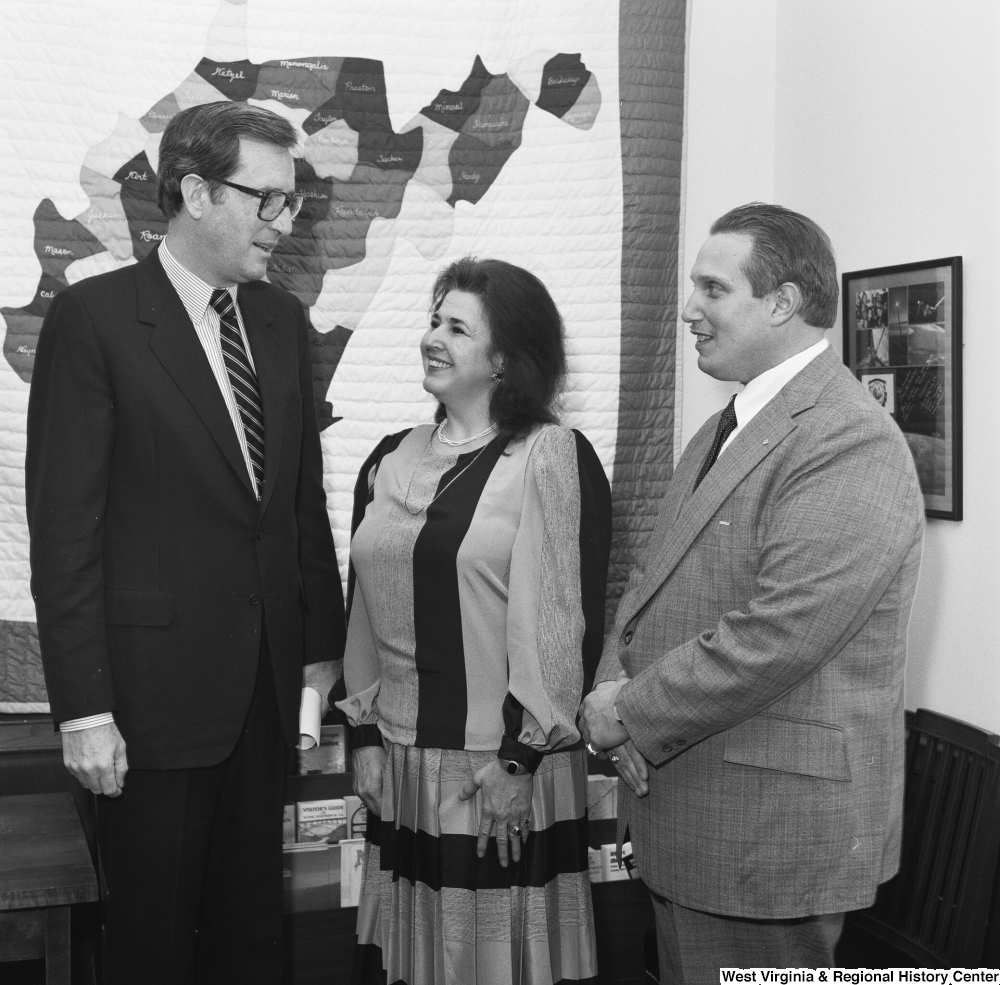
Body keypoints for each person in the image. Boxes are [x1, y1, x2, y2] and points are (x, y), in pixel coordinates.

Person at [25, 101, 346, 984]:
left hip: (265, 696)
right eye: (268, 200)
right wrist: (83, 710)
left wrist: (320, 651)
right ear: (197, 191)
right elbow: (64, 533)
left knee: (251, 939)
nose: (285, 224)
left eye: (294, 203)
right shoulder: (94, 320)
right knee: (155, 946)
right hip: (146, 710)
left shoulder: (280, 322)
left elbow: (295, 505)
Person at [579, 203, 924, 981]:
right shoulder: (723, 428)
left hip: (764, 839)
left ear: (782, 302)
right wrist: (612, 689)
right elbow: (649, 584)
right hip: (693, 815)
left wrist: (625, 710)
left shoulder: (848, 437)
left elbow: (779, 633)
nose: (690, 310)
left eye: (712, 287)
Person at [336, 257, 611, 985]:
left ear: (504, 359)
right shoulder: (388, 459)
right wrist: (361, 735)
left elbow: (565, 622)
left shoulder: (551, 456)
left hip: (499, 766)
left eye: (457, 328)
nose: (434, 336)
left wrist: (522, 760)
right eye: (434, 320)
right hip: (401, 766)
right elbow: (360, 603)